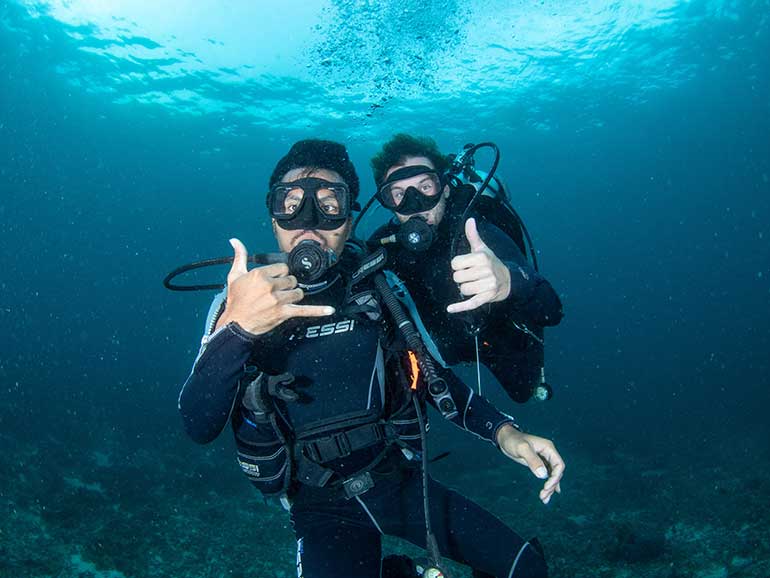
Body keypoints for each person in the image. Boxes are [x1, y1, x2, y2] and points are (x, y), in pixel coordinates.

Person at [178, 139, 564, 578]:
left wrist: (505, 434)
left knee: (527, 570)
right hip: (320, 508)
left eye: (329, 204)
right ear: (273, 215)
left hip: (399, 484)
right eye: (292, 204)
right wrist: (239, 330)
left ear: (349, 218)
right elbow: (198, 424)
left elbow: (433, 377)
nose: (309, 222)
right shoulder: (238, 301)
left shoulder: (380, 288)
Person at [368, 134, 564, 404]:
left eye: (425, 187)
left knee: (523, 393)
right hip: (438, 350)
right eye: (399, 194)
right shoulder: (382, 249)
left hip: (495, 339)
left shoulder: (477, 232)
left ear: (445, 188)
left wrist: (508, 281)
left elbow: (552, 310)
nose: (415, 204)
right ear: (386, 201)